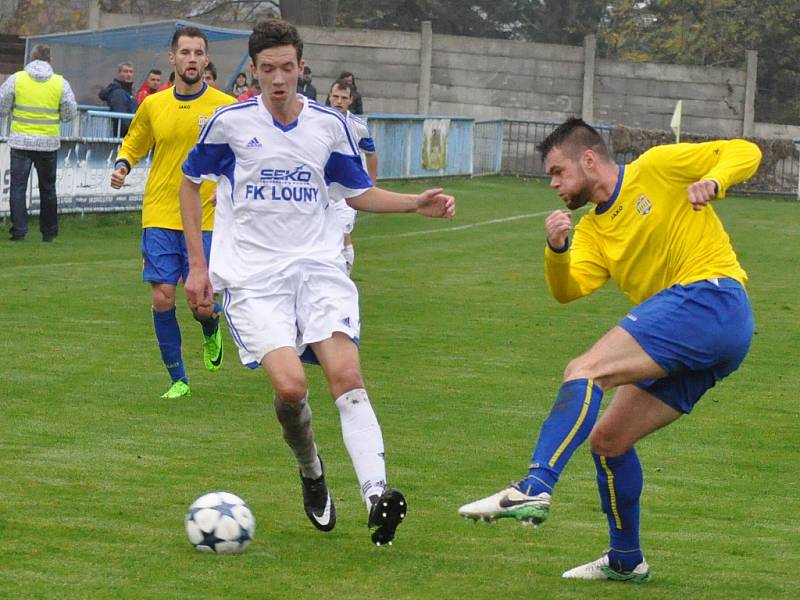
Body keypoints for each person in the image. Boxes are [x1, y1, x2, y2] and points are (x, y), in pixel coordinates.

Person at [179, 18, 455, 546]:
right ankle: (311, 469)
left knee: (347, 377)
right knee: (291, 387)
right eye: (267, 70)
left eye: (287, 67)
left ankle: (376, 496)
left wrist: (414, 202)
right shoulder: (230, 124)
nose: (278, 79)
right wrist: (197, 265)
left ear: (301, 67)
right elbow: (189, 185)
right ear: (254, 73)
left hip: (319, 269)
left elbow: (356, 192)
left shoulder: (329, 126)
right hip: (255, 279)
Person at [458, 118, 762, 582]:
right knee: (608, 441)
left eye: (558, 172)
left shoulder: (656, 167)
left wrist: (715, 180)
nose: (555, 184)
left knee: (585, 370)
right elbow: (569, 289)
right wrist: (557, 250)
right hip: (705, 333)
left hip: (711, 297)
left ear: (588, 158)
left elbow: (745, 150)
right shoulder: (594, 230)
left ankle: (535, 485)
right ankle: (625, 560)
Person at [109, 26, 236, 399]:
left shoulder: (225, 107)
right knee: (163, 296)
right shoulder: (154, 105)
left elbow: (242, 154)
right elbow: (135, 141)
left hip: (206, 217)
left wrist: (229, 189)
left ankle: (210, 329)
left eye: (198, 53)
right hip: (160, 213)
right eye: (185, 53)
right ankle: (178, 379)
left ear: (206, 59)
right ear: (173, 58)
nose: (192, 59)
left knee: (200, 302)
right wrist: (122, 165)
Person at [0, 43, 77, 242]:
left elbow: (2, 106)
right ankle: (49, 232)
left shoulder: (16, 79)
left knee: (18, 188)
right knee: (48, 188)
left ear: (31, 58)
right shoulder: (61, 83)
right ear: (50, 60)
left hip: (21, 142)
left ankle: (19, 231)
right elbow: (70, 112)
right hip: (48, 144)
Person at [327, 78, 378, 274]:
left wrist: (371, 185)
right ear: (330, 97)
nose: (338, 101)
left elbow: (371, 154)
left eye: (343, 98)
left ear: (350, 100)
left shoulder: (358, 126)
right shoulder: (318, 120)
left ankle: (345, 274)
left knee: (342, 231)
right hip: (323, 189)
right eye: (335, 97)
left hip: (347, 191)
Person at [99, 61, 138, 136]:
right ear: (119, 73)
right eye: (125, 71)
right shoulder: (118, 93)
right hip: (124, 136)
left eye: (131, 72)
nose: (129, 74)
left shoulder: (129, 92)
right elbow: (121, 117)